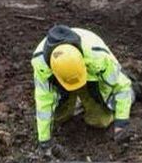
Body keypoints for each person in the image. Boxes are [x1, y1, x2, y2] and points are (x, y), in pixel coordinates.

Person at [32, 25, 134, 155]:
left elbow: (121, 87)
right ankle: (73, 101)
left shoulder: (98, 57)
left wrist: (122, 123)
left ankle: (134, 89)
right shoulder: (41, 65)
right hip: (62, 82)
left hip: (92, 78)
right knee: (58, 118)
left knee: (100, 121)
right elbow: (43, 103)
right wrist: (44, 141)